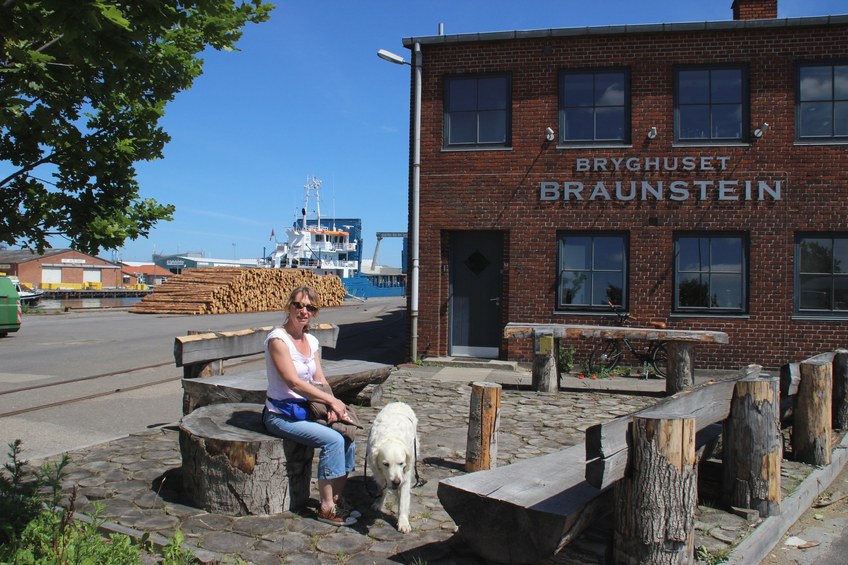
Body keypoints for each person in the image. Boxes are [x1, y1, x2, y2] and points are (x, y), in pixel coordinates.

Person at [262, 285, 359, 526]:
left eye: (310, 307)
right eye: (298, 305)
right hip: (281, 414)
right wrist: (331, 401)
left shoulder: (312, 340)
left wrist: (335, 407)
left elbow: (320, 379)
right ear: (289, 307)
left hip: (308, 409)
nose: (304, 310)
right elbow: (293, 382)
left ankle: (336, 499)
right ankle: (325, 508)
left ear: (314, 313)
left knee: (348, 434)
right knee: (332, 441)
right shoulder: (278, 339)